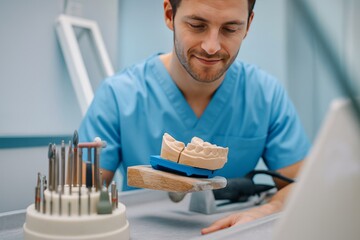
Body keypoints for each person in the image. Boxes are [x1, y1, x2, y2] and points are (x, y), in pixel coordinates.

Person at [79, 0, 310, 235]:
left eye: (230, 29)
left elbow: (305, 187)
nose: (212, 47)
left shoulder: (265, 96)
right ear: (170, 15)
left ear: (248, 25)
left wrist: (267, 210)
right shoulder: (118, 96)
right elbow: (79, 196)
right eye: (197, 25)